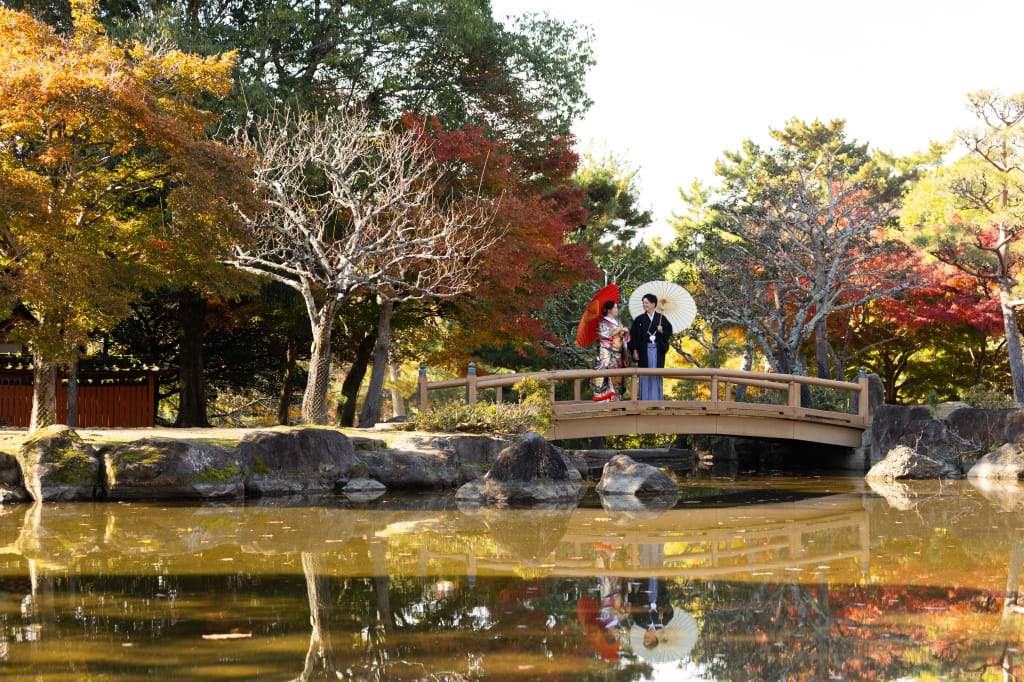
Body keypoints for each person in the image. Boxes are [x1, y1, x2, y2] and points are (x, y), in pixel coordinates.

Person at [629, 293, 673, 401]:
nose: (644, 305)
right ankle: (645, 401)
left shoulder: (661, 318)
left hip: (657, 351)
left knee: (656, 375)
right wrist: (634, 351)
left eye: (646, 303)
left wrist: (662, 330)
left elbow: (669, 331)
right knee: (644, 375)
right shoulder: (639, 319)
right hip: (643, 351)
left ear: (653, 304)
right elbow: (632, 336)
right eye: (643, 303)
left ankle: (657, 402)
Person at [592, 300, 630, 402]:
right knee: (606, 378)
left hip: (619, 355)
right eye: (615, 308)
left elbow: (625, 340)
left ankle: (617, 403)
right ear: (609, 310)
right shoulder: (602, 322)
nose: (617, 310)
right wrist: (614, 332)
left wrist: (626, 333)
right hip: (607, 355)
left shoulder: (618, 322)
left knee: (618, 379)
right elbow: (602, 338)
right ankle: (606, 403)